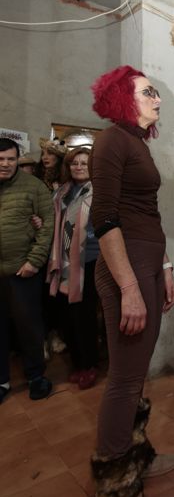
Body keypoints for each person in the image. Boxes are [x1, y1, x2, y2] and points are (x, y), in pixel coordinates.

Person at [89, 65, 174, 497]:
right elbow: (104, 220)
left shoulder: (136, 144)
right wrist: (128, 286)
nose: (158, 100)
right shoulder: (111, 141)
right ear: (122, 97)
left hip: (145, 263)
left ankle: (138, 455)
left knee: (137, 371)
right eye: (149, 93)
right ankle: (115, 493)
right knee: (124, 381)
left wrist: (162, 269)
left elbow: (147, 213)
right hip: (125, 268)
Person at [0, 137, 54, 403]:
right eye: (0, 159)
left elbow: (47, 226)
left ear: (17, 160)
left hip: (23, 270)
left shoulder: (34, 187)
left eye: (10, 159)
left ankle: (36, 377)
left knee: (29, 327)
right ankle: (1, 381)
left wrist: (35, 260)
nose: (5, 164)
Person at [47, 147, 100, 390]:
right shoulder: (62, 193)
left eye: (84, 163)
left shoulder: (99, 192)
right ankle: (78, 363)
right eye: (74, 163)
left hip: (89, 262)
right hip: (64, 262)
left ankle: (90, 365)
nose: (79, 166)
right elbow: (53, 222)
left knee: (85, 317)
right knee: (67, 318)